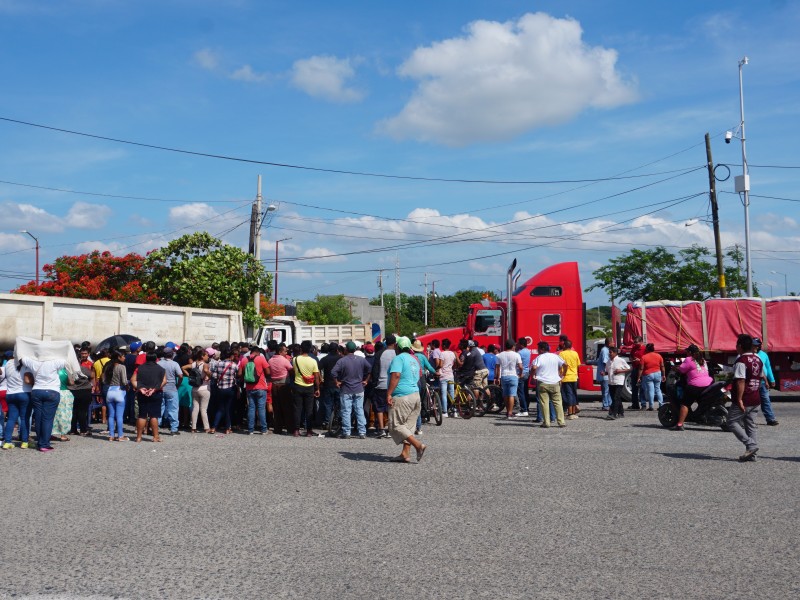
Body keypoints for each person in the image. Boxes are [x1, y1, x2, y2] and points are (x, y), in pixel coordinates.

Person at [386, 337, 426, 463]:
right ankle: (405, 454)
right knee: (408, 427)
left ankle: (418, 445)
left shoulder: (398, 358)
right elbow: (419, 375)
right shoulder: (414, 359)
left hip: (402, 396)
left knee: (395, 425)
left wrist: (389, 393)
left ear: (397, 347)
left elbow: (396, 375)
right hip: (415, 395)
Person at [21, 355, 67, 452]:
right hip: (52, 391)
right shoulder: (56, 361)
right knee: (47, 419)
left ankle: (40, 442)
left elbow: (22, 357)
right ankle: (44, 444)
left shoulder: (33, 362)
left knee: (38, 418)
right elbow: (67, 360)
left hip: (37, 390)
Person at [729, 334, 763, 462]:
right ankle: (752, 455)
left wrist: (739, 399)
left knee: (731, 422)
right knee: (750, 425)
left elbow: (740, 381)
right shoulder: (758, 359)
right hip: (755, 396)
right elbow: (759, 378)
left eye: (737, 345)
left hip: (745, 397)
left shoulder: (741, 361)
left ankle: (751, 445)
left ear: (740, 346)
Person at [331, 341, 370, 439]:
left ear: (346, 349)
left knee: (346, 411)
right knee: (359, 410)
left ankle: (347, 432)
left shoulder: (342, 361)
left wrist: (336, 382)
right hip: (359, 389)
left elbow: (333, 372)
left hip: (346, 389)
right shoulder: (361, 360)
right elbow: (370, 369)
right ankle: (362, 432)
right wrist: (366, 380)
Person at [673, 344, 714, 431]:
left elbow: (681, 370)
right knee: (701, 400)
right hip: (708, 383)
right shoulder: (702, 360)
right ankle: (701, 417)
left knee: (685, 404)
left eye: (687, 351)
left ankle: (680, 424)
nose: (686, 353)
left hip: (695, 385)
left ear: (690, 352)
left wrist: (674, 368)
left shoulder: (689, 359)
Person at [131, 350, 166, 443]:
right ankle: (155, 437)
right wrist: (155, 389)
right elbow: (164, 381)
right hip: (156, 393)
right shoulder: (161, 369)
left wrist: (140, 388)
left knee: (142, 415)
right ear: (156, 359)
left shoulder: (140, 368)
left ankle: (138, 437)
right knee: (154, 415)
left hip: (142, 393)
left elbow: (133, 380)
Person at [531, 341, 567, 428]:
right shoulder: (555, 356)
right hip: (555, 382)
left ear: (542, 349)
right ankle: (561, 422)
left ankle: (546, 422)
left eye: (538, 348)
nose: (537, 350)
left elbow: (534, 367)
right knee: (558, 402)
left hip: (543, 382)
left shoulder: (539, 358)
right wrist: (563, 374)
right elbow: (565, 364)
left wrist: (533, 375)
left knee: (544, 403)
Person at [1, 358, 32, 449]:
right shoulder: (26, 364)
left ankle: (7, 442)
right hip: (24, 393)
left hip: (10, 394)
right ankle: (24, 442)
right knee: (24, 418)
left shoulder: (8, 363)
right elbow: (27, 380)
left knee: (11, 419)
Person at [239, 346, 270, 435]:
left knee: (251, 408)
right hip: (261, 387)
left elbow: (240, 373)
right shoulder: (261, 359)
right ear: (258, 352)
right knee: (261, 408)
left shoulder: (244, 359)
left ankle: (250, 429)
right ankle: (263, 429)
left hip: (249, 387)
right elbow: (268, 372)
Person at [291, 340, 320, 437]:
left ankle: (296, 430)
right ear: (310, 349)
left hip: (298, 385)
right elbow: (316, 376)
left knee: (297, 409)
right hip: (309, 387)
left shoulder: (295, 359)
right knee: (309, 410)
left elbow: (294, 372)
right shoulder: (313, 361)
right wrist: (317, 388)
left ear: (301, 348)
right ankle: (309, 431)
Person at [209, 346, 239, 434]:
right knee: (228, 409)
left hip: (220, 388)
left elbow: (214, 376)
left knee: (220, 408)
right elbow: (237, 376)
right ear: (231, 356)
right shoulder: (234, 365)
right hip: (230, 388)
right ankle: (227, 428)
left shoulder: (218, 364)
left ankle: (214, 427)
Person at [371, 335, 396, 435]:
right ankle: (390, 429)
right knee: (391, 407)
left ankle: (381, 429)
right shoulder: (397, 354)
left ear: (385, 343)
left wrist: (375, 383)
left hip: (381, 384)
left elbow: (375, 370)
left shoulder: (379, 354)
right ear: (395, 343)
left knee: (380, 407)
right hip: (394, 385)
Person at [102, 350, 129, 441]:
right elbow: (124, 381)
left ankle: (111, 435)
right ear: (118, 357)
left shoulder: (108, 366)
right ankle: (120, 435)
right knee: (119, 416)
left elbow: (104, 380)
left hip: (110, 391)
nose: (124, 358)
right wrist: (128, 386)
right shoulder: (121, 367)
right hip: (119, 391)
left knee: (111, 415)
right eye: (123, 356)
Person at [183, 348, 212, 433]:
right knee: (203, 409)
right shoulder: (205, 364)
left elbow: (183, 367)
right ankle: (206, 427)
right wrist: (209, 375)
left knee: (195, 408)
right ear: (202, 356)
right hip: (204, 388)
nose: (207, 357)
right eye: (206, 355)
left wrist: (189, 376)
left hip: (194, 388)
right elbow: (206, 371)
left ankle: (193, 427)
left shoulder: (193, 364)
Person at [157, 346, 184, 436]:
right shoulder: (175, 364)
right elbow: (180, 376)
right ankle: (174, 428)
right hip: (172, 388)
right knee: (173, 409)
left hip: (161, 387)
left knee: (160, 408)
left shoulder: (159, 363)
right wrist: (178, 384)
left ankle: (156, 426)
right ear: (172, 354)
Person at [752, 338, 779, 426]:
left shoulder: (763, 355)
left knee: (766, 400)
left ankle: (770, 419)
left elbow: (768, 368)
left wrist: (772, 379)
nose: (755, 346)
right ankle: (749, 420)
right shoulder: (749, 355)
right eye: (753, 345)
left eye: (756, 345)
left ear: (760, 345)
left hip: (763, 382)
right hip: (752, 382)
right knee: (751, 402)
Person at [268, 344, 293, 435]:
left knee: (276, 407)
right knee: (286, 407)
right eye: (285, 351)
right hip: (284, 385)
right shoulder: (284, 360)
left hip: (274, 385)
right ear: (280, 352)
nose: (286, 352)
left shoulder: (270, 360)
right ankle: (289, 428)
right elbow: (291, 370)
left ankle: (278, 428)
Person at [494, 340, 522, 419]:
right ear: (513, 346)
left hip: (504, 376)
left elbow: (497, 367)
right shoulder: (516, 355)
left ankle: (507, 412)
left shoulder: (499, 355)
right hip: (513, 375)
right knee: (512, 395)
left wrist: (497, 377)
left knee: (506, 395)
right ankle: (510, 413)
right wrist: (520, 373)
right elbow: (520, 366)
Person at [69, 348, 94, 435]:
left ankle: (73, 429)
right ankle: (83, 430)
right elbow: (92, 375)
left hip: (73, 390)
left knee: (74, 411)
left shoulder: (68, 369)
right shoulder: (83, 369)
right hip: (84, 390)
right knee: (82, 411)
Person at [318, 342, 342, 428]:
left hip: (328, 384)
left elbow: (317, 369)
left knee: (328, 404)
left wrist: (321, 379)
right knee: (339, 403)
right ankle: (338, 420)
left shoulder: (325, 359)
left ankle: (327, 421)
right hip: (339, 384)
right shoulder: (341, 358)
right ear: (337, 349)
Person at [604, 346, 629, 420]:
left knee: (616, 398)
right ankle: (621, 412)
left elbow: (628, 368)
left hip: (619, 381)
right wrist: (604, 373)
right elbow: (608, 371)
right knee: (615, 398)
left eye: (611, 352)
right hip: (611, 382)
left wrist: (620, 371)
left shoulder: (620, 360)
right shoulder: (608, 361)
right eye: (609, 352)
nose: (609, 354)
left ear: (615, 353)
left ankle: (613, 413)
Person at [637, 343, 665, 411]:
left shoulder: (644, 357)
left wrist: (638, 377)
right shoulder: (659, 356)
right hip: (658, 373)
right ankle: (661, 405)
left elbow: (641, 368)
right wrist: (663, 375)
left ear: (646, 349)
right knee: (658, 389)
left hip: (648, 374)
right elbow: (662, 366)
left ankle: (651, 406)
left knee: (650, 390)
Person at [51, 366, 75, 442]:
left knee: (52, 414)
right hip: (64, 393)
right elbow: (71, 382)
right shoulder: (66, 371)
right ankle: (63, 435)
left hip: (53, 392)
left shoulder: (52, 369)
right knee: (65, 414)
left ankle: (49, 433)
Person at [558, 340, 580, 419]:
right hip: (574, 376)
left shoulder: (562, 354)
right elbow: (578, 365)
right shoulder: (575, 353)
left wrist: (560, 375)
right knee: (574, 394)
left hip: (566, 377)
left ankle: (570, 413)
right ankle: (573, 412)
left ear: (564, 346)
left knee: (568, 395)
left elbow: (560, 365)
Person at [438, 339, 456, 417]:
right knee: (452, 393)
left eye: (442, 344)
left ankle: (445, 412)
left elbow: (441, 365)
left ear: (444, 345)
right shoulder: (452, 353)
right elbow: (454, 364)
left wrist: (437, 368)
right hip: (451, 376)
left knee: (444, 394)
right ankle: (454, 411)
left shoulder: (442, 354)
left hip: (443, 376)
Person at [515, 338, 532, 417]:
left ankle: (524, 409)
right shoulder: (528, 351)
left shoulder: (519, 353)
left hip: (521, 373)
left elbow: (517, 363)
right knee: (525, 391)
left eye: (518, 343)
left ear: (521, 344)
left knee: (520, 392)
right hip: (527, 372)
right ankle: (527, 408)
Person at [595, 338, 612, 411]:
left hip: (605, 374)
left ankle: (609, 404)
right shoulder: (605, 350)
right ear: (609, 343)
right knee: (606, 391)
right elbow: (605, 362)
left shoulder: (605, 349)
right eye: (613, 342)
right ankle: (606, 405)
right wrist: (609, 371)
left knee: (607, 391)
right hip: (605, 375)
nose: (614, 344)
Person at [628, 336, 644, 410]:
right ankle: (635, 404)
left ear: (641, 342)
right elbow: (630, 356)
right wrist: (631, 359)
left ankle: (643, 404)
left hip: (641, 369)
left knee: (642, 387)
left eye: (636, 342)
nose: (635, 344)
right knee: (634, 387)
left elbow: (646, 359)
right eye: (634, 342)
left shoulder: (644, 349)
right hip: (634, 368)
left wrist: (639, 360)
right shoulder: (634, 348)